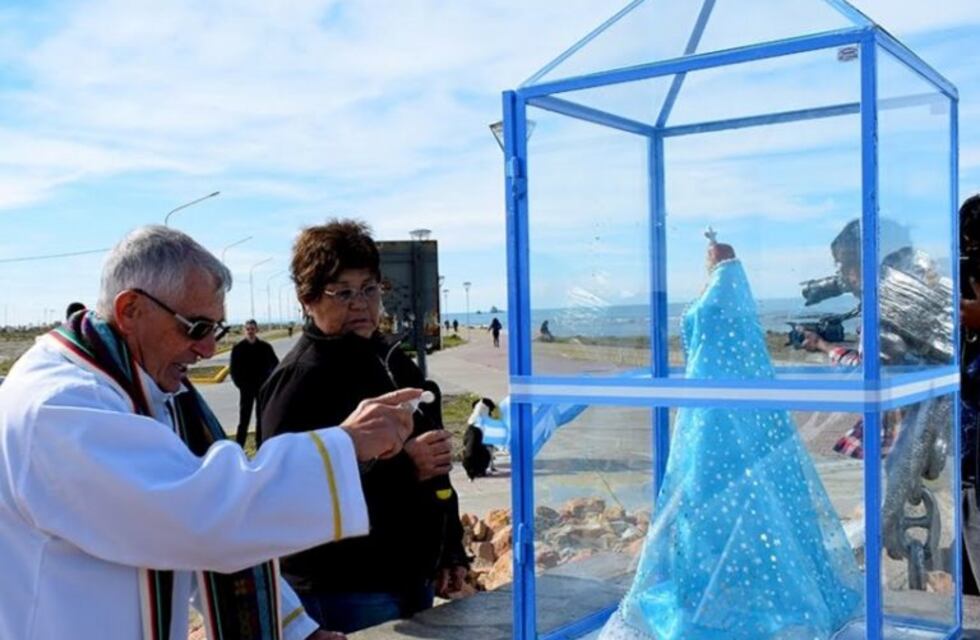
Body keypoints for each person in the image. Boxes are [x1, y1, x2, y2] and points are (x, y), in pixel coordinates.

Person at [0, 225, 420, 640]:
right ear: (130, 310)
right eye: (196, 327)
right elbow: (195, 519)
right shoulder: (60, 407)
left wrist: (293, 630)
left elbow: (210, 551)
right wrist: (344, 446)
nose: (207, 350)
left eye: (216, 330)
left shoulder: (135, 386)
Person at [599, 238, 862, 640]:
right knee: (705, 507)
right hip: (708, 413)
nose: (709, 257)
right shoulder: (728, 291)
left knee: (725, 501)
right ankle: (704, 590)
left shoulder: (722, 291)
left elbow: (710, 332)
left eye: (712, 255)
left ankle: (721, 599)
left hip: (715, 414)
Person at [259, 219, 469, 633]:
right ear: (307, 299)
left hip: (410, 578)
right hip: (342, 588)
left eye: (370, 288)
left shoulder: (391, 360)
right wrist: (405, 468)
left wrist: (451, 549)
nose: (360, 304)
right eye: (343, 292)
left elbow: (436, 462)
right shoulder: (299, 378)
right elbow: (283, 494)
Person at [230, 318, 279, 446]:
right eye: (248, 329)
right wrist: (241, 385)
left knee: (261, 418)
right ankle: (239, 446)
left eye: (252, 329)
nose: (250, 332)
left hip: (262, 389)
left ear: (257, 330)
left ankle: (260, 445)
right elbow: (234, 370)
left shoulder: (265, 347)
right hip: (246, 389)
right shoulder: (238, 348)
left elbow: (276, 366)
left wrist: (269, 383)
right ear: (244, 331)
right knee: (244, 419)